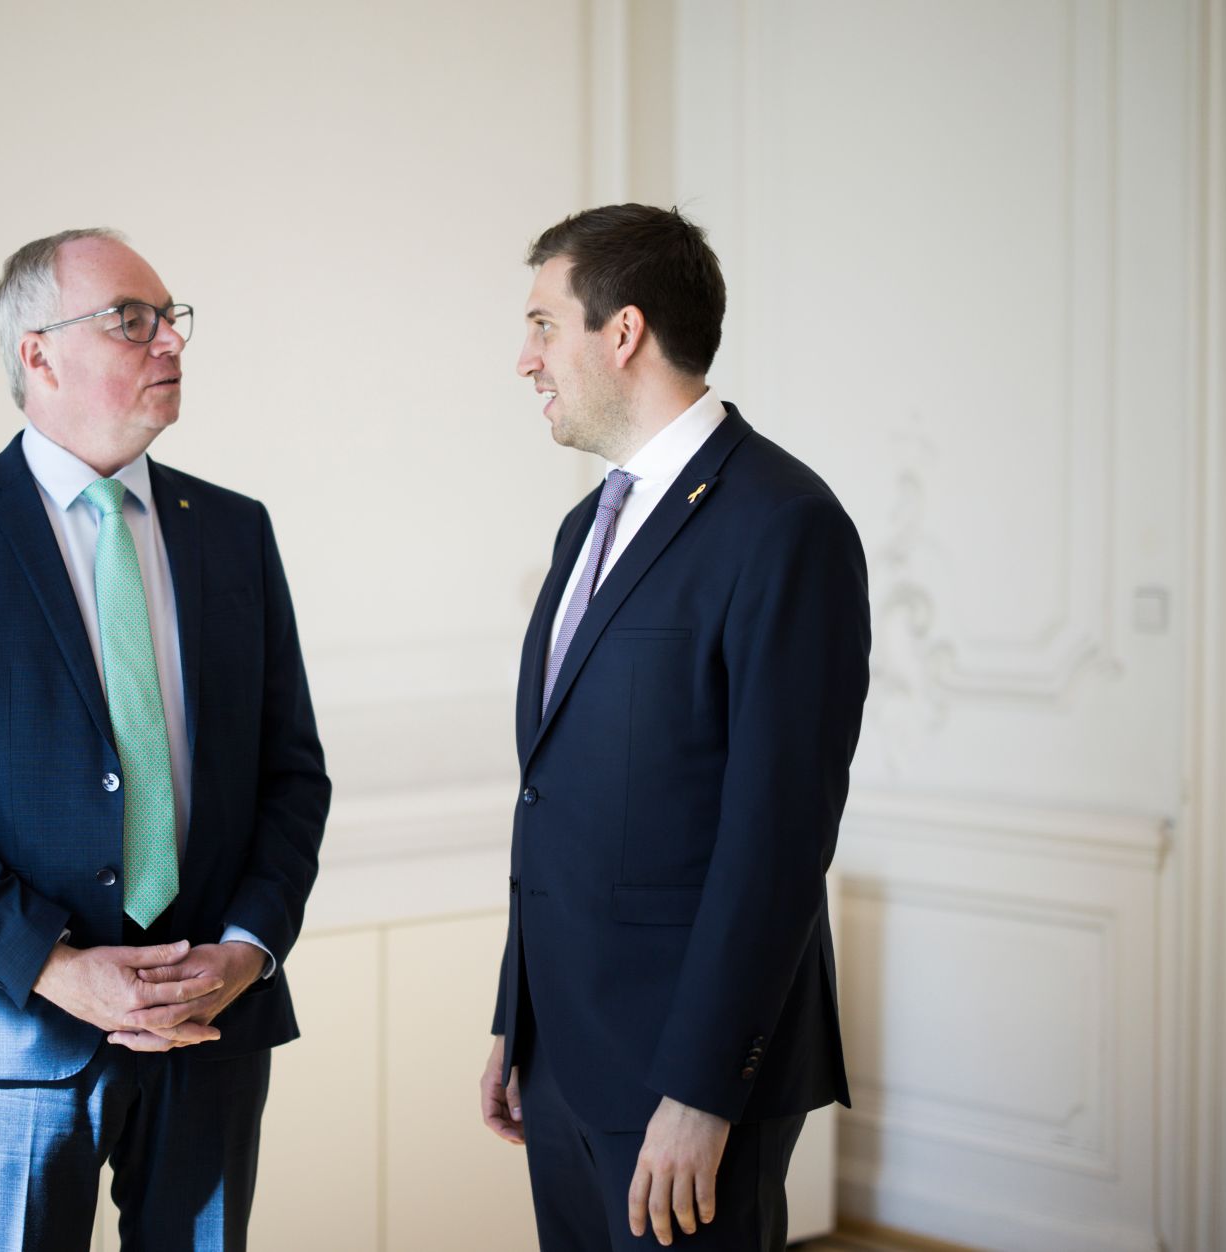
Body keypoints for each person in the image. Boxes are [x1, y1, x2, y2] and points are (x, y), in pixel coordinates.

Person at [0, 228, 329, 1251]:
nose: (170, 344)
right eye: (131, 321)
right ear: (37, 353)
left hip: (211, 1025)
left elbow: (290, 774)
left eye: (171, 320)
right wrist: (56, 966)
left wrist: (246, 949)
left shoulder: (234, 531)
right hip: (11, 1026)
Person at [479, 204, 871, 1250]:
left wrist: (702, 1089)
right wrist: (514, 1021)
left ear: (622, 332)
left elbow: (777, 837)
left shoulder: (785, 525)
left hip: (687, 1076)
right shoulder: (585, 525)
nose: (523, 359)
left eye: (540, 324)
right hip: (562, 1052)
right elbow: (552, 790)